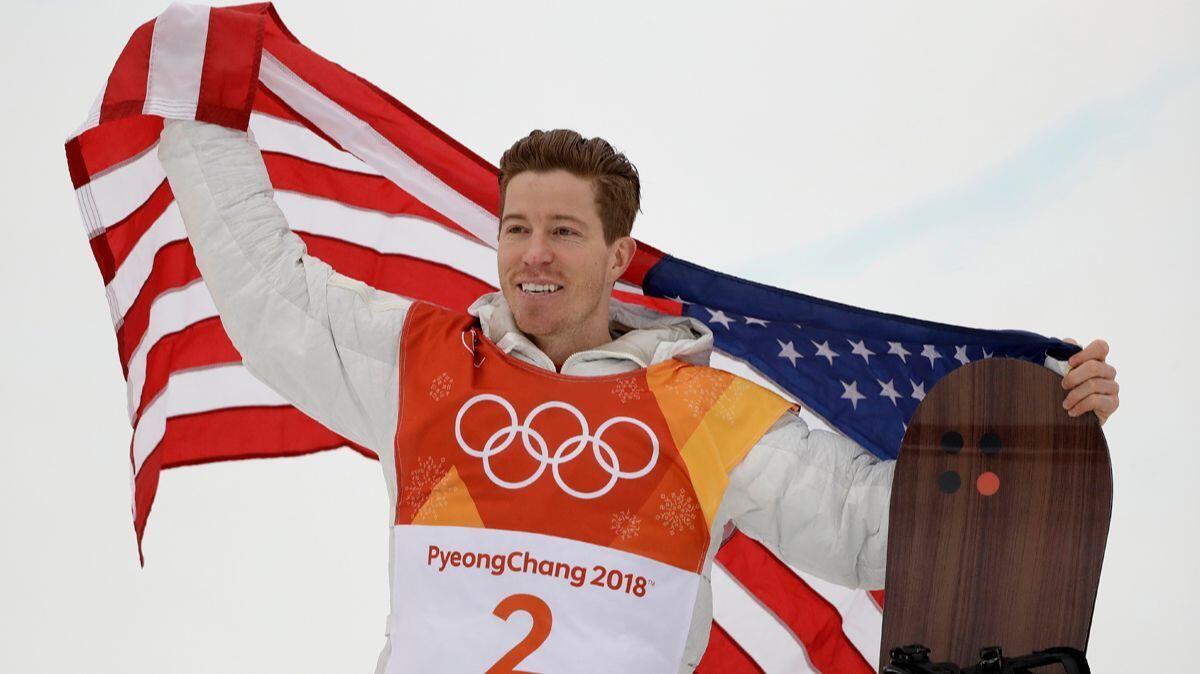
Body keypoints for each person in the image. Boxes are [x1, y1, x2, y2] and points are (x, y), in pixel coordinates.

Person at [156, 119, 1120, 673]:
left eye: (565, 232)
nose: (533, 254)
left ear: (618, 257)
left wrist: (1042, 422)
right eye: (516, 227)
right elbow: (271, 297)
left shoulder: (706, 410)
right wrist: (199, 108)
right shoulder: (425, 362)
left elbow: (884, 526)